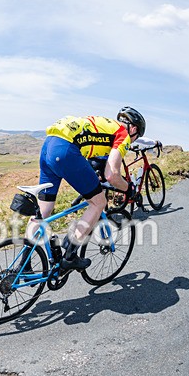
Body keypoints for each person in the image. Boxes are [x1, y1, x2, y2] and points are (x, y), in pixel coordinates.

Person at [29, 107, 144, 271]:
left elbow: (95, 160)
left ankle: (24, 264)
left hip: (49, 145)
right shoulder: (123, 134)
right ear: (133, 129)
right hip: (65, 150)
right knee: (99, 203)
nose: (132, 141)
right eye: (136, 137)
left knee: (43, 212)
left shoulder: (106, 126)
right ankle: (69, 257)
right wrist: (129, 189)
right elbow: (112, 175)